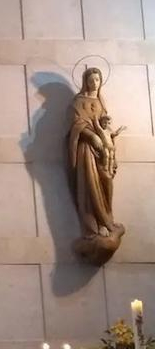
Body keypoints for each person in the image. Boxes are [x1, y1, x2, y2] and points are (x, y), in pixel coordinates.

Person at [68, 67, 125, 264]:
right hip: (87, 151)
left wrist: (109, 134)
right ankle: (94, 226)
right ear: (85, 81)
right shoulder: (78, 102)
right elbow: (76, 125)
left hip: (103, 153)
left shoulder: (101, 102)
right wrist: (92, 136)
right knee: (90, 185)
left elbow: (104, 124)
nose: (95, 83)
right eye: (91, 80)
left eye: (98, 80)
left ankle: (107, 220)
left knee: (106, 180)